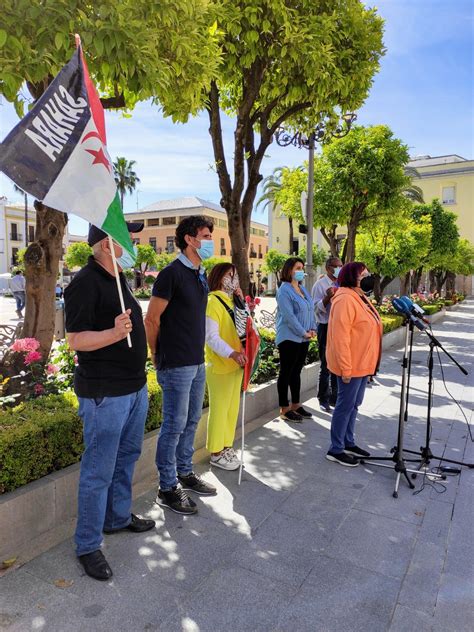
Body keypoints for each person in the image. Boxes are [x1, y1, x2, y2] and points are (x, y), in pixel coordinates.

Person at [64, 222, 155, 581]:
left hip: (133, 388)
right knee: (98, 470)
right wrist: (114, 333)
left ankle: (117, 517)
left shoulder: (119, 278)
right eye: (125, 237)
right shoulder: (84, 283)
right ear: (106, 243)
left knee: (127, 457)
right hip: (105, 392)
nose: (131, 242)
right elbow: (75, 340)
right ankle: (87, 545)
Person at [144, 215, 217, 516]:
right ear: (189, 239)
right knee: (173, 425)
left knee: (190, 421)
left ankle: (185, 472)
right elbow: (151, 318)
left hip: (196, 361)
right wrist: (155, 353)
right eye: (205, 234)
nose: (210, 240)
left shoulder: (200, 273)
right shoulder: (171, 274)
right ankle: (166, 487)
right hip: (175, 363)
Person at [325, 262, 383, 467]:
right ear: (352, 276)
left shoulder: (359, 296)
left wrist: (370, 367)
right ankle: (336, 449)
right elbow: (340, 338)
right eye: (363, 274)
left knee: (354, 406)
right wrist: (346, 368)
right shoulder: (344, 299)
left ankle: (348, 442)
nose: (367, 277)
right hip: (351, 365)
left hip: (363, 364)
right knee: (344, 406)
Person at [205, 263, 247, 470]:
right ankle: (215, 452)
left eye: (235, 275)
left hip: (236, 364)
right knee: (220, 410)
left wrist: (242, 302)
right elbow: (211, 337)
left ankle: (227, 446)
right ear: (219, 277)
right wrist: (231, 353)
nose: (234, 280)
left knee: (232, 409)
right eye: (230, 276)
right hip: (221, 364)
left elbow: (244, 328)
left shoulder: (232, 301)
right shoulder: (213, 301)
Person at [275, 257, 317, 422]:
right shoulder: (284, 290)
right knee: (286, 372)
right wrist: (303, 332)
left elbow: (310, 308)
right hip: (289, 337)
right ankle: (284, 408)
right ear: (289, 270)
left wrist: (312, 328)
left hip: (304, 337)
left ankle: (296, 405)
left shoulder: (302, 289)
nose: (301, 271)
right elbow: (289, 316)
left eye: (301, 268)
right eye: (297, 268)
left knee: (296, 371)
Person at [311, 257, 343, 412]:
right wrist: (327, 297)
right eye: (336, 266)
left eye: (341, 266)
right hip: (325, 327)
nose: (339, 269)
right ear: (328, 268)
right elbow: (315, 309)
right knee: (326, 364)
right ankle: (322, 398)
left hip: (340, 327)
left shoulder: (342, 283)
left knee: (337, 363)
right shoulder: (320, 285)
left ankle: (334, 397)